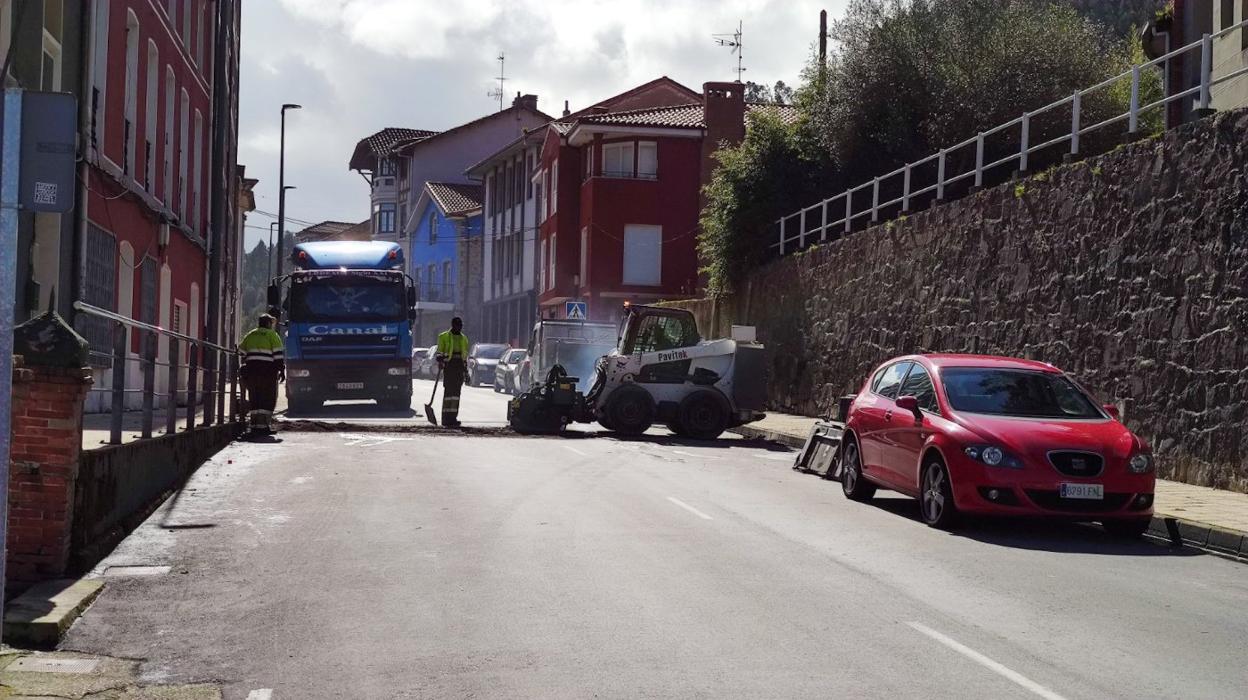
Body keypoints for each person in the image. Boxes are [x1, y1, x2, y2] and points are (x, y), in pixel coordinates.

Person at [239, 314, 285, 432]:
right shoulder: (272, 335)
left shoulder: (250, 334)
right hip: (268, 373)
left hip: (252, 372)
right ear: (269, 323)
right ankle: (264, 426)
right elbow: (278, 355)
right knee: (267, 398)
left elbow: (241, 352)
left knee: (254, 397)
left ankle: (254, 425)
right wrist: (281, 370)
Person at [436, 317, 470, 428]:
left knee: (456, 395)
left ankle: (453, 418)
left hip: (459, 368)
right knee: (448, 393)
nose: (459, 328)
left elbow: (464, 357)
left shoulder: (464, 339)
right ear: (453, 325)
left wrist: (466, 372)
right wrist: (440, 359)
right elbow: (439, 352)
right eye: (457, 326)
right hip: (449, 367)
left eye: (460, 326)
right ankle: (446, 418)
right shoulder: (444, 336)